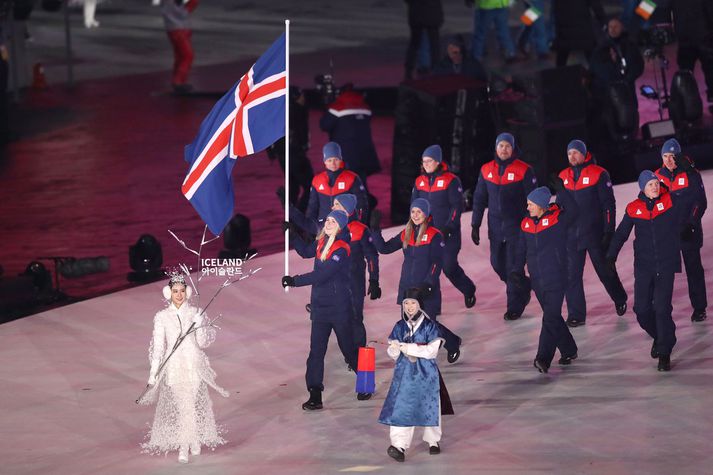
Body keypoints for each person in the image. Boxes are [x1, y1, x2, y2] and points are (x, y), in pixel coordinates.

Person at [282, 210, 372, 409]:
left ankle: (366, 381)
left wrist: (294, 281)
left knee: (348, 349)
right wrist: (293, 235)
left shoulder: (341, 249)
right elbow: (306, 251)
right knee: (316, 351)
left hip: (339, 308)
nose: (329, 223)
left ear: (340, 226)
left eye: (333, 221)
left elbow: (321, 275)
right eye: (328, 220)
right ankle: (315, 394)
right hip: (320, 308)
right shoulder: (322, 242)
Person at [139, 273, 228, 463]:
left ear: (186, 292)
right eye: (175, 291)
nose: (178, 295)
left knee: (189, 403)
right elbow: (159, 348)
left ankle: (190, 442)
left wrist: (200, 325)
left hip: (193, 364)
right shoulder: (162, 317)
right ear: (168, 293)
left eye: (181, 291)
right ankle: (186, 445)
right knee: (183, 404)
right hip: (174, 366)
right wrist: (153, 373)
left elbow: (203, 343)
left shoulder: (195, 312)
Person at [607, 171, 688, 371]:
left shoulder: (670, 202)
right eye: (650, 184)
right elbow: (621, 234)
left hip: (666, 265)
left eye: (656, 183)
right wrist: (611, 256)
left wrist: (689, 227)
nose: (655, 187)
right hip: (644, 266)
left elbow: (689, 206)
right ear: (642, 187)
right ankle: (663, 336)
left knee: (661, 308)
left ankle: (664, 352)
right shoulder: (634, 209)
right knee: (641, 310)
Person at [372, 198, 462, 363]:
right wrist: (375, 229)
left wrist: (429, 283)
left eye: (419, 211)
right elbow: (384, 249)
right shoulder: (406, 233)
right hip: (407, 287)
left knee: (428, 325)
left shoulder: (435, 235)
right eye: (413, 211)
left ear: (426, 214)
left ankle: (452, 342)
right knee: (410, 324)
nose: (415, 215)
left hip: (425, 287)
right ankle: (415, 358)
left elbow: (437, 262)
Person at [557, 140, 628, 327]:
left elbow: (608, 205)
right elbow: (560, 207)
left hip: (595, 234)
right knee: (572, 276)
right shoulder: (563, 176)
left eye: (575, 153)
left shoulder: (599, 174)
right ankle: (576, 314)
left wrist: (608, 231)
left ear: (584, 153)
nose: (572, 156)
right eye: (569, 153)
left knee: (605, 272)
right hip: (571, 236)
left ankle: (619, 297)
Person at [378, 288, 453, 463]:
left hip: (426, 373)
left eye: (413, 303)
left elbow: (431, 352)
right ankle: (398, 445)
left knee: (430, 407)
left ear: (420, 305)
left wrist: (409, 348)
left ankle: (433, 440)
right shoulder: (399, 326)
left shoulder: (430, 326)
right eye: (406, 303)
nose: (409, 307)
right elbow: (394, 353)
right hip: (404, 374)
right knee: (401, 408)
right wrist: (394, 349)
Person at [471, 133, 537, 321]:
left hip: (517, 229)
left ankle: (514, 306)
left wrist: (530, 224)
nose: (504, 149)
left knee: (512, 267)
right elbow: (479, 199)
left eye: (508, 146)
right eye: (501, 146)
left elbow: (533, 200)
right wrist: (475, 224)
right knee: (497, 264)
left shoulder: (524, 170)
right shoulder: (486, 170)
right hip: (496, 228)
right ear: (496, 148)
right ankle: (523, 286)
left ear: (513, 148)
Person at [514, 184, 579, 373]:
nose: (527, 208)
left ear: (541, 205)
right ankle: (569, 349)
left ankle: (543, 358)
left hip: (557, 277)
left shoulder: (558, 220)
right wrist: (516, 270)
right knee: (554, 318)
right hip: (537, 280)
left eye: (531, 204)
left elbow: (575, 211)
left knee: (549, 318)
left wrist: (563, 190)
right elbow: (520, 249)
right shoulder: (526, 223)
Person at [412, 144, 476, 309]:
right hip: (426, 234)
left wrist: (449, 227)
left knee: (448, 267)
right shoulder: (419, 181)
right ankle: (433, 305)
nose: (426, 164)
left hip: (448, 234)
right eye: (424, 161)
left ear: (438, 161)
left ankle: (468, 289)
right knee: (429, 270)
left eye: (429, 161)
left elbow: (457, 206)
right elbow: (414, 206)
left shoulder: (451, 180)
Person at [655, 138, 708, 322]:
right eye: (665, 156)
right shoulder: (657, 177)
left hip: (688, 232)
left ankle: (699, 308)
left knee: (693, 270)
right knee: (663, 272)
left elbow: (700, 202)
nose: (669, 160)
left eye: (672, 156)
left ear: (679, 156)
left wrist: (691, 224)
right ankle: (661, 310)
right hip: (666, 234)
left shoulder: (691, 174)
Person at [589, 17, 644, 138]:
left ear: (622, 28)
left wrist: (627, 79)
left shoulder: (629, 46)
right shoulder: (600, 49)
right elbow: (597, 69)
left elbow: (638, 65)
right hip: (609, 94)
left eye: (616, 27)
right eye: (610, 27)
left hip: (627, 91)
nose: (613, 30)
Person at [319, 87, 381, 192]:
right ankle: (366, 205)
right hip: (364, 153)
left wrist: (327, 107)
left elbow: (324, 125)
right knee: (360, 183)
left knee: (344, 186)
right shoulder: (365, 108)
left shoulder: (336, 108)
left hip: (346, 154)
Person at [269, 87, 314, 213]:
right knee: (310, 187)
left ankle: (291, 215)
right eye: (301, 96)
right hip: (295, 154)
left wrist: (272, 152)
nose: (304, 98)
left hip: (282, 155)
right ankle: (297, 215)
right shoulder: (298, 111)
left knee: (293, 187)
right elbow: (302, 133)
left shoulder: (279, 113)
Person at [305, 141, 369, 225]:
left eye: (336, 159)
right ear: (324, 162)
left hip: (346, 227)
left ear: (340, 159)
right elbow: (312, 208)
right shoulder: (317, 180)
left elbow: (361, 205)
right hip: (324, 229)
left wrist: (359, 225)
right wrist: (310, 229)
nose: (333, 163)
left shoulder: (352, 178)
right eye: (329, 160)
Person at [671, 0, 713, 103]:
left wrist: (640, 17)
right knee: (710, 70)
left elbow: (655, 3)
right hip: (704, 36)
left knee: (686, 74)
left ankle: (688, 102)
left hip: (687, 37)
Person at [160, 0, 199, 94]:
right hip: (177, 27)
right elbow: (182, 12)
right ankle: (178, 81)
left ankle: (179, 80)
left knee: (181, 56)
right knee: (187, 55)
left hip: (178, 26)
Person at [552, 0, 606, 67]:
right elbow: (596, 7)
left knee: (562, 58)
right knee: (592, 58)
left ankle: (559, 75)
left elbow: (556, 11)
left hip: (565, 29)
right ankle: (597, 74)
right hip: (583, 29)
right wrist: (604, 22)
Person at [403, 0, 443, 79]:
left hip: (416, 11)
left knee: (415, 43)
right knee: (434, 44)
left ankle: (409, 70)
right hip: (432, 11)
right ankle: (436, 70)